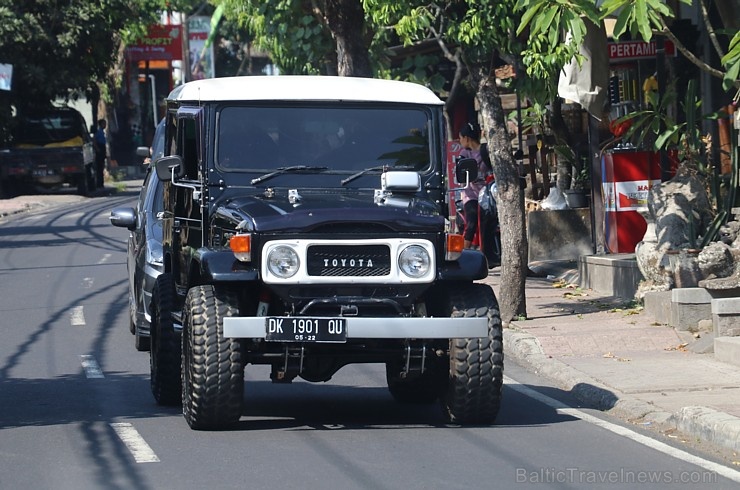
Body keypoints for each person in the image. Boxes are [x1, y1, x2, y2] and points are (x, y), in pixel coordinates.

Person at [458, 121, 492, 250]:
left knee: (487, 224)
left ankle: (487, 252)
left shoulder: (486, 151)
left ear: (467, 138)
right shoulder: (464, 154)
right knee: (471, 223)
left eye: (461, 138)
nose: (460, 141)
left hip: (487, 194)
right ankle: (464, 252)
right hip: (470, 195)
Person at [94, 119, 107, 187]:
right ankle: (99, 183)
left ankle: (101, 183)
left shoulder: (102, 132)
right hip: (100, 150)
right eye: (104, 124)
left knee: (101, 167)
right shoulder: (98, 132)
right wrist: (97, 149)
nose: (105, 125)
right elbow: (94, 141)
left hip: (102, 149)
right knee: (99, 168)